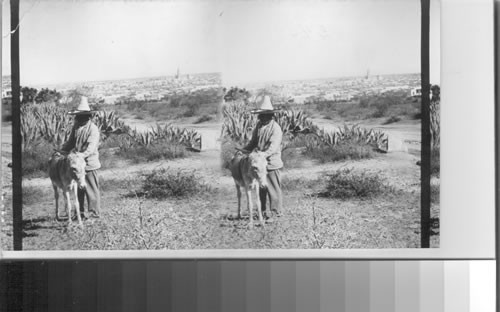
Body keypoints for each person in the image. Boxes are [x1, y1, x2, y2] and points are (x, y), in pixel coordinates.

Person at [244, 95, 283, 221]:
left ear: (270, 115)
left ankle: (275, 212)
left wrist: (262, 155)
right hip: (260, 163)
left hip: (271, 163)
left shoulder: (275, 128)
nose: (261, 117)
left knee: (273, 189)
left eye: (265, 114)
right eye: (261, 114)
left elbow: (273, 147)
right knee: (261, 188)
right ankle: (263, 211)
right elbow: (253, 142)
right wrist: (245, 150)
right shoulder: (259, 126)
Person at [62, 96, 101, 219]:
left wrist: (80, 156)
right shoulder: (76, 127)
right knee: (78, 189)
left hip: (89, 164)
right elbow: (70, 142)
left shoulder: (93, 129)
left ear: (87, 116)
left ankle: (94, 213)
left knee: (91, 190)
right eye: (77, 116)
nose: (77, 118)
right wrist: (62, 150)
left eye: (80, 116)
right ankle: (80, 213)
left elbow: (90, 148)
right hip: (77, 164)